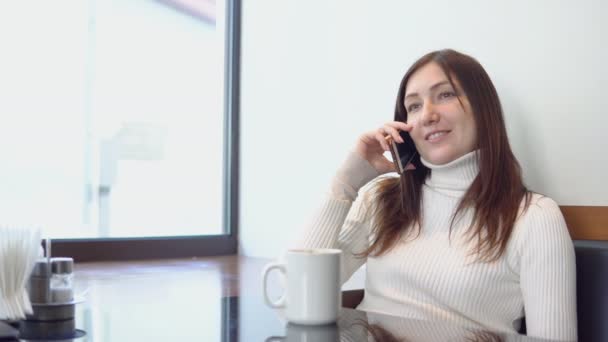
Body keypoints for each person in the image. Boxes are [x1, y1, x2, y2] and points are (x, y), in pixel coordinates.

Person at [294, 49, 577, 341]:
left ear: (483, 109)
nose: (428, 115)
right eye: (413, 106)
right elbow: (296, 298)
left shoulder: (534, 217)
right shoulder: (381, 201)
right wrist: (346, 183)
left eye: (445, 95)